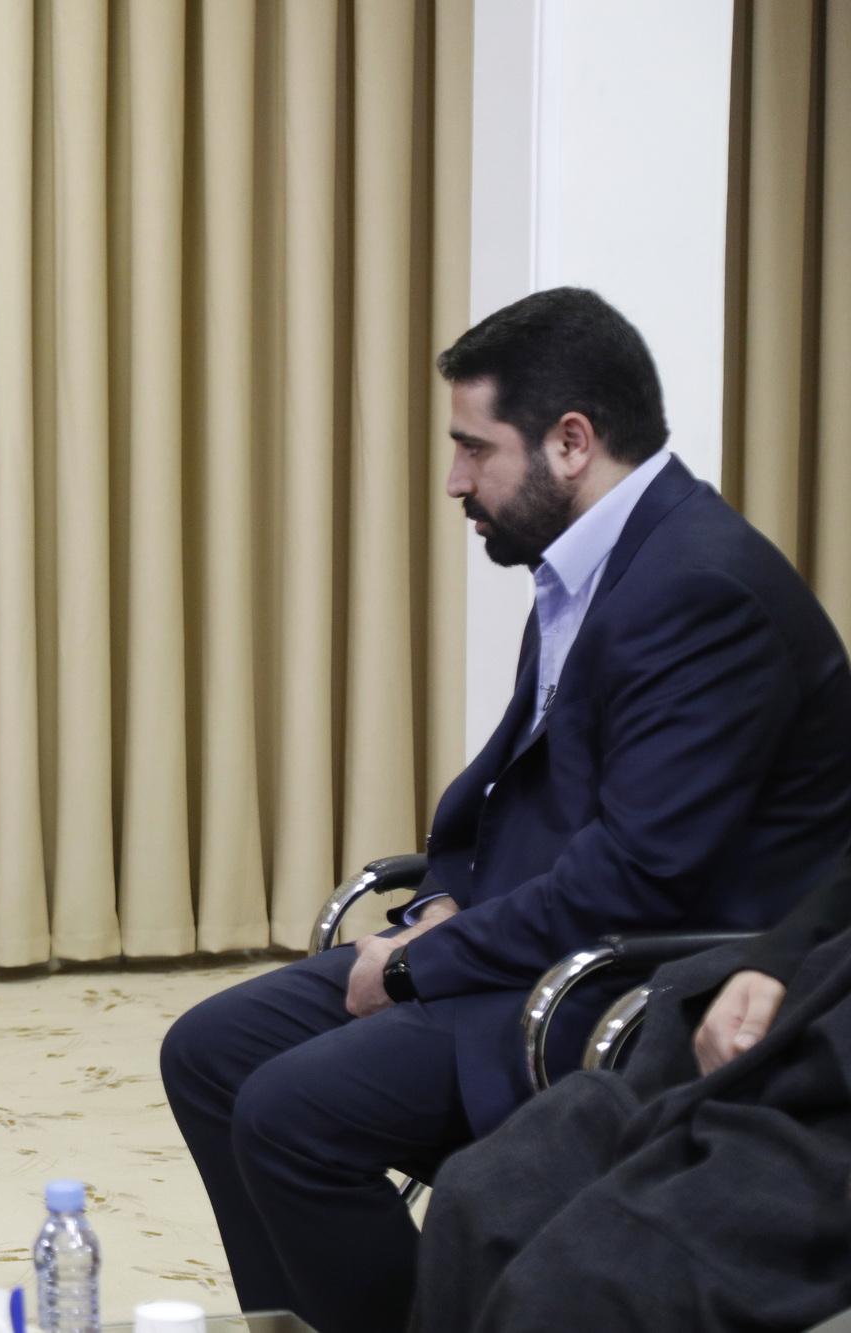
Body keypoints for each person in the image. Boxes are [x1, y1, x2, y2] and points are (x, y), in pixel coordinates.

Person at [158, 288, 851, 1333]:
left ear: (570, 442)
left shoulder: (701, 587)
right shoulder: (597, 559)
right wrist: (439, 903)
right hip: (523, 941)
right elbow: (512, 794)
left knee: (292, 1111)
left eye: (472, 447)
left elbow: (637, 876)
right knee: (208, 1050)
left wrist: (412, 963)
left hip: (628, 977)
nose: (454, 480)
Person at [411, 856, 851, 1331]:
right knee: (485, 1188)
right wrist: (778, 957)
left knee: (581, 1288)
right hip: (787, 1014)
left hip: (823, 1127)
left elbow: (629, 872)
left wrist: (416, 962)